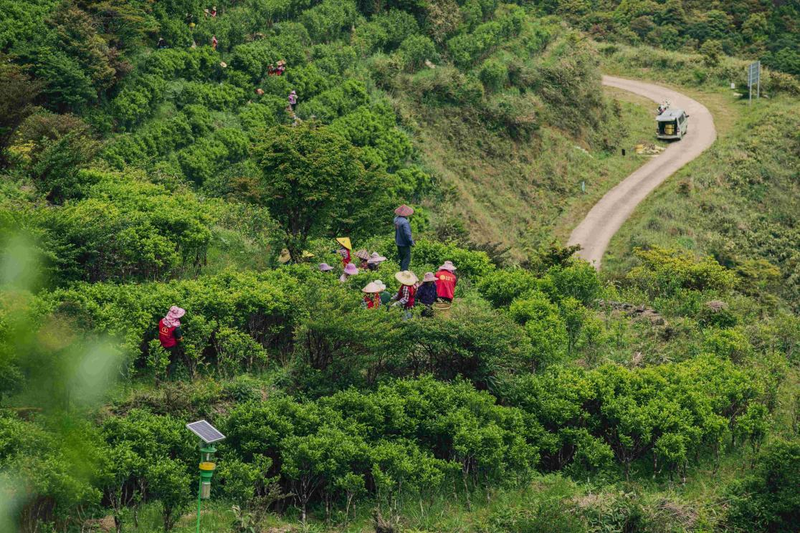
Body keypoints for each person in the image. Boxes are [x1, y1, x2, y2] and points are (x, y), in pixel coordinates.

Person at [394, 205, 414, 270]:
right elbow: (407, 234)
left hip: (398, 242)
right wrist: (411, 242)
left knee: (401, 258)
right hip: (404, 244)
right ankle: (404, 274)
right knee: (406, 259)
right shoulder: (405, 222)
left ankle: (400, 272)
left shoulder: (396, 220)